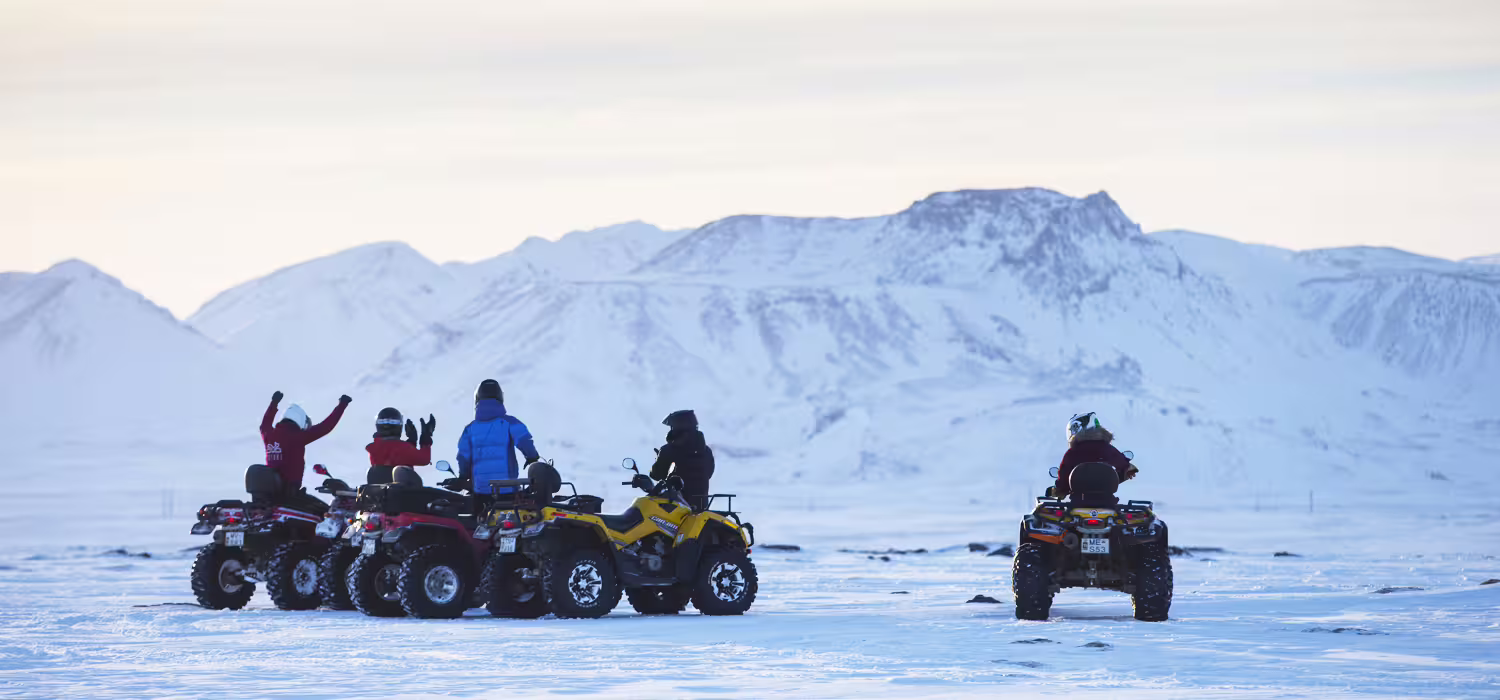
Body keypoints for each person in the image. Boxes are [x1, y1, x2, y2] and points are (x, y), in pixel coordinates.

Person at [259, 391, 350, 511]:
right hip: (290, 496)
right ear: (300, 421)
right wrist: (342, 405)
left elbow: (265, 423)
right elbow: (326, 426)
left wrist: (274, 403)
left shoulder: (269, 434)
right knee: (324, 512)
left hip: (270, 496)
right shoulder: (296, 436)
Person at [456, 379, 540, 498]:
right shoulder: (509, 422)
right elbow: (524, 440)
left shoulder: (470, 429)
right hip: (507, 488)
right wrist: (532, 457)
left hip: (480, 491)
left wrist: (463, 476)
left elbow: (463, 456)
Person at [1053, 412, 1137, 501]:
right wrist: (1128, 468)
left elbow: (1064, 475)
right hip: (1107, 502)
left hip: (1079, 502)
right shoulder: (1108, 449)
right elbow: (1123, 464)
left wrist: (1060, 490)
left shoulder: (1072, 453)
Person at [649, 409, 715, 507]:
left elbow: (656, 475)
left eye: (672, 427)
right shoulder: (706, 451)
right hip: (700, 506)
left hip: (675, 507)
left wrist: (659, 459)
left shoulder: (668, 450)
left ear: (677, 428)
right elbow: (709, 473)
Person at [366, 406, 434, 485]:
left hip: (380, 494)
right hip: (403, 494)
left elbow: (395, 458)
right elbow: (424, 459)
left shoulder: (374, 449)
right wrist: (426, 439)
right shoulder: (403, 448)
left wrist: (411, 443)